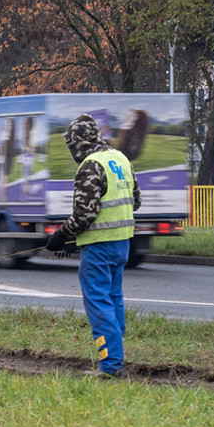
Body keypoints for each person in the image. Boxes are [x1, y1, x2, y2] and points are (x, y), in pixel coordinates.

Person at [46, 113, 142, 378]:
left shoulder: (90, 165)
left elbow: (84, 215)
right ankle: (116, 350)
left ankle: (110, 366)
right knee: (113, 298)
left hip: (99, 248)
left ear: (78, 142)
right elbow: (136, 200)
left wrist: (61, 236)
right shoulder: (120, 158)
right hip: (122, 243)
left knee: (98, 303)